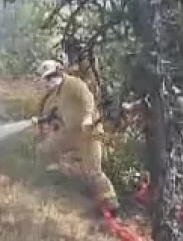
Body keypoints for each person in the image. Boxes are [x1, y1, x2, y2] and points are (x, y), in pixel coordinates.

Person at [31, 60, 120, 214]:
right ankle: (49, 181)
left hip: (88, 133)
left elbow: (88, 100)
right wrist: (42, 120)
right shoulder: (56, 93)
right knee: (44, 149)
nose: (48, 82)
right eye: (46, 79)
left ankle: (111, 203)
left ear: (59, 73)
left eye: (51, 77)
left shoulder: (73, 84)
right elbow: (55, 112)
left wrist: (87, 117)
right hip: (70, 133)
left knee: (94, 170)